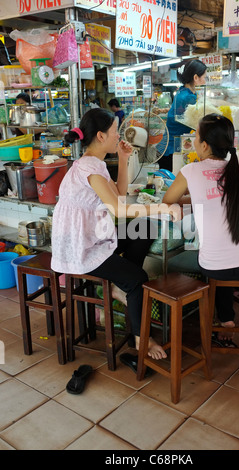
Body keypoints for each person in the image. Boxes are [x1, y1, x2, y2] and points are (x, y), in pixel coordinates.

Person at [51, 108, 181, 363]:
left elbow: (119, 195)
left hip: (92, 235)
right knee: (138, 279)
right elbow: (119, 209)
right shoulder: (89, 167)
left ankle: (120, 285)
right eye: (114, 132)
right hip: (80, 247)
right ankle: (140, 337)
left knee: (145, 228)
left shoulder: (94, 163)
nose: (118, 136)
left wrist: (123, 157)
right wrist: (162, 208)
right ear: (100, 135)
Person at [162, 113, 239, 346]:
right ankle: (228, 317)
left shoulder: (190, 171)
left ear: (204, 145)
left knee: (214, 260)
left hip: (217, 267)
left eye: (195, 136)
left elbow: (168, 200)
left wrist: (193, 198)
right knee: (224, 253)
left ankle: (225, 318)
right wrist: (198, 198)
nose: (194, 141)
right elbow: (217, 197)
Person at [158, 59, 207, 172]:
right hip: (171, 151)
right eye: (204, 77)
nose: (205, 81)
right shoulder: (188, 97)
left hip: (168, 148)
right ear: (196, 78)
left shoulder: (182, 92)